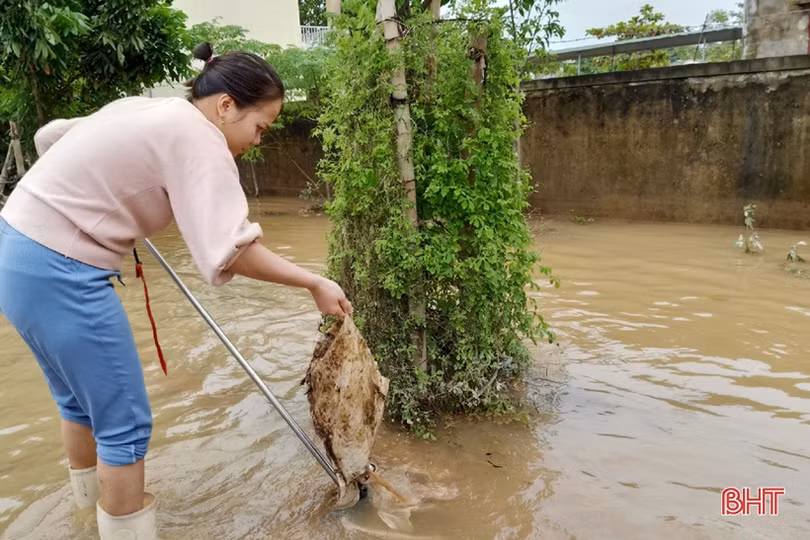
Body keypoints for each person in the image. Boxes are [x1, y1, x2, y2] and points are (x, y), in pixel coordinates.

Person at [0, 42, 352, 539]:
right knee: (124, 428)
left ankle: (83, 520)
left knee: (79, 406)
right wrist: (314, 280)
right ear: (226, 105)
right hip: (63, 270)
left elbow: (49, 136)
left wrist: (108, 195)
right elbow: (231, 252)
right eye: (260, 127)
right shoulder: (200, 139)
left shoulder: (150, 108)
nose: (257, 141)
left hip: (15, 250)